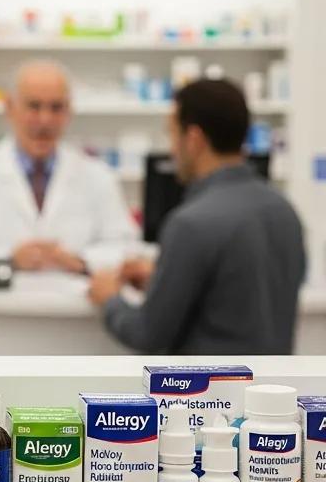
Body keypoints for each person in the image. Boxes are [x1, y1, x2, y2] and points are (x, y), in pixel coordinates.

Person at [89, 78, 306, 354]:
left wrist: (109, 300)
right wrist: (163, 279)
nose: (171, 150)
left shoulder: (191, 224)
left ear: (193, 139)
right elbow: (240, 298)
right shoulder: (284, 211)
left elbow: (148, 336)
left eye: (172, 134)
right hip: (268, 391)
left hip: (210, 395)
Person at [0, 60, 137, 272]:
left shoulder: (99, 176)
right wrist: (8, 259)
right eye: (34, 106)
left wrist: (81, 261)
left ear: (69, 112)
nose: (45, 120)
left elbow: (125, 246)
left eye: (56, 108)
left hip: (75, 303)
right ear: (9, 108)